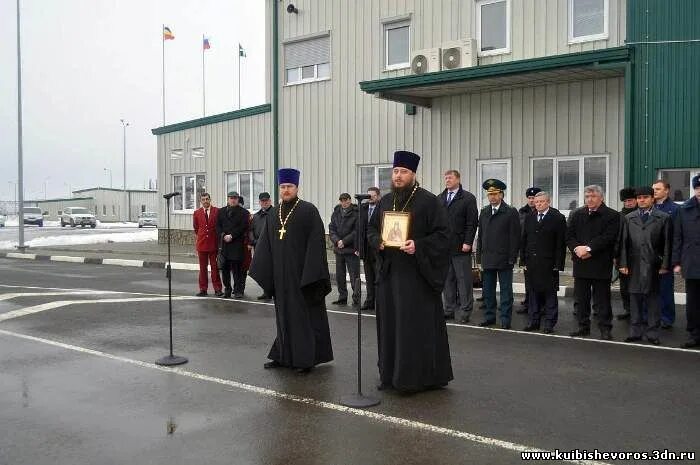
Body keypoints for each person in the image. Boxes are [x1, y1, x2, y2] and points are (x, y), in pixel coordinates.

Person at [367, 150, 453, 393]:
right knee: (391, 326)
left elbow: (444, 236)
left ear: (413, 174)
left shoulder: (428, 201)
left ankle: (416, 378)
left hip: (417, 277)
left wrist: (419, 245)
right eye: (395, 171)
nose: (398, 176)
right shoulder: (385, 201)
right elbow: (372, 231)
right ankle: (390, 375)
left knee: (413, 327)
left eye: (403, 172)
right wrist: (377, 242)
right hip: (389, 274)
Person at [249, 168, 333, 373]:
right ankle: (284, 355)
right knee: (283, 316)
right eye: (283, 187)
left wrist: (311, 275)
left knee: (303, 317)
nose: (286, 190)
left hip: (302, 276)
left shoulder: (308, 211)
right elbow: (265, 245)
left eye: (289, 187)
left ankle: (305, 359)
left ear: (297, 188)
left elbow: (316, 244)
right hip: (280, 276)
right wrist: (265, 272)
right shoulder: (273, 213)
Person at [618, 186, 671, 345]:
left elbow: (667, 243)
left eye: (645, 197)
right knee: (634, 298)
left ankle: (653, 333)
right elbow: (624, 243)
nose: (642, 200)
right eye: (639, 198)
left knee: (653, 299)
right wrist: (623, 263)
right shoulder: (629, 218)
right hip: (633, 264)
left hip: (653, 263)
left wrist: (665, 264)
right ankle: (635, 331)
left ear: (652, 198)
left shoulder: (663, 217)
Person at [566, 185, 620, 340]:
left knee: (602, 299)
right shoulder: (577, 215)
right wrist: (576, 248)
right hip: (581, 262)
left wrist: (589, 249)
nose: (590, 199)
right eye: (587, 196)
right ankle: (583, 327)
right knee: (581, 299)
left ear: (601, 197)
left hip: (600, 263)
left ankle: (605, 328)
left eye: (593, 196)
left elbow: (609, 237)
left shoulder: (612, 215)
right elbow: (569, 235)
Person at [476, 179, 521, 329]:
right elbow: (481, 236)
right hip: (488, 258)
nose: (492, 197)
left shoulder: (510, 212)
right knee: (488, 291)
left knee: (506, 291)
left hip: (504, 258)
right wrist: (479, 258)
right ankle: (489, 317)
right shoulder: (484, 212)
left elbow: (515, 237)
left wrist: (512, 257)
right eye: (490, 195)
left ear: (501, 194)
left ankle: (505, 319)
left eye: (495, 194)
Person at [520, 191, 566, 333]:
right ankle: (533, 321)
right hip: (532, 263)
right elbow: (524, 240)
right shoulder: (530, 217)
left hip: (549, 263)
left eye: (541, 202)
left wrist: (558, 264)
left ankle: (549, 324)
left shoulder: (557, 218)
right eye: (536, 202)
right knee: (533, 293)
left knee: (550, 294)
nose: (538, 204)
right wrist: (523, 260)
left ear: (548, 202)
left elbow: (560, 243)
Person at [438, 170, 478, 324]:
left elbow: (472, 222)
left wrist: (468, 242)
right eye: (446, 178)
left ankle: (465, 311)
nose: (447, 180)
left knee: (464, 281)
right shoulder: (440, 198)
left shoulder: (467, 198)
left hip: (461, 247)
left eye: (450, 178)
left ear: (458, 179)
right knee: (447, 280)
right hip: (444, 248)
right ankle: (449, 309)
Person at [672, 174, 700, 349]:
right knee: (694, 301)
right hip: (692, 260)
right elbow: (677, 237)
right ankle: (694, 334)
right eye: (697, 188)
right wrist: (677, 261)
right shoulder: (684, 209)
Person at [652, 180, 680, 329]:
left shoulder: (675, 209)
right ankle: (649, 316)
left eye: (658, 189)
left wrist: (672, 259)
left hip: (665, 255)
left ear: (667, 190)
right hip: (650, 255)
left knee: (665, 289)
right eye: (653, 189)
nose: (655, 191)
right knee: (648, 289)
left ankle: (666, 318)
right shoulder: (650, 207)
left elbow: (676, 236)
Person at [329, 193, 361, 306]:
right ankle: (342, 297)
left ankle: (356, 299)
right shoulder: (336, 212)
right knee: (340, 276)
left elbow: (356, 231)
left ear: (349, 200)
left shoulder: (356, 213)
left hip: (351, 249)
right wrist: (337, 241)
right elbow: (331, 228)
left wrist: (344, 241)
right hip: (339, 249)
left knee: (354, 276)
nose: (344, 202)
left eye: (346, 200)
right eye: (341, 200)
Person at [216, 191, 249, 298]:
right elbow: (217, 226)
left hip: (236, 244)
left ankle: (238, 290)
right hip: (224, 245)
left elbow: (243, 227)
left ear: (238, 199)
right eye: (231, 198)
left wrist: (232, 235)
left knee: (237, 270)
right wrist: (223, 235)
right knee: (225, 270)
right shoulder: (221, 211)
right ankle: (227, 290)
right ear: (228, 199)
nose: (233, 200)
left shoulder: (244, 212)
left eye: (235, 198)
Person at [193, 192, 223, 297]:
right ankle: (203, 289)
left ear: (210, 200)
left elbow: (219, 226)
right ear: (200, 201)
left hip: (213, 244)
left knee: (215, 268)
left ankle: (218, 289)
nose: (205, 201)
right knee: (203, 268)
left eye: (207, 199)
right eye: (203, 199)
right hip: (201, 245)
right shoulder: (196, 213)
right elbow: (196, 228)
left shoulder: (217, 211)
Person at [357, 187, 381, 311]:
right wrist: (358, 247)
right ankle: (369, 301)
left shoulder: (382, 208)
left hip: (378, 248)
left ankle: (379, 303)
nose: (370, 198)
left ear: (378, 196)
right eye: (368, 196)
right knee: (368, 277)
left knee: (379, 277)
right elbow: (358, 229)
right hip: (366, 249)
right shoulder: (363, 208)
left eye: (372, 195)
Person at [615, 187, 638, 320]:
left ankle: (638, 311)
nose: (628, 203)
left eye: (631, 200)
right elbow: (616, 236)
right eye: (626, 201)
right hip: (622, 256)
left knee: (637, 285)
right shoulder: (619, 215)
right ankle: (628, 309)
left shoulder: (640, 214)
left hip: (637, 255)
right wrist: (615, 255)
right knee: (624, 286)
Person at [517, 187, 541, 314]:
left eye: (534, 198)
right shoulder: (522, 212)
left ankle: (540, 305)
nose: (532, 201)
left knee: (540, 280)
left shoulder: (543, 211)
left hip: (540, 250)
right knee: (528, 279)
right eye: (530, 198)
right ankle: (528, 303)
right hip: (525, 249)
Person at [250, 192, 273, 300]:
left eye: (266, 200)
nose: (265, 202)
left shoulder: (275, 214)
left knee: (272, 270)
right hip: (258, 247)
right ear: (259, 202)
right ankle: (266, 291)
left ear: (270, 201)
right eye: (262, 201)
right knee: (262, 269)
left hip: (271, 247)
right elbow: (251, 230)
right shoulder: (256, 216)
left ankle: (273, 291)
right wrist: (254, 241)